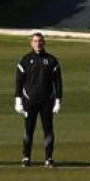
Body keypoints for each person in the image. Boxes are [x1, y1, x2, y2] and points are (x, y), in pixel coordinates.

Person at [14, 32, 62, 167]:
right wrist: (18, 100)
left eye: (40, 41)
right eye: (35, 41)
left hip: (47, 101)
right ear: (31, 43)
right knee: (29, 129)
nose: (38, 43)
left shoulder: (52, 60)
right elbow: (19, 81)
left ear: (44, 42)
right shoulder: (25, 59)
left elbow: (58, 82)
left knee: (48, 129)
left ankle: (48, 158)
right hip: (29, 101)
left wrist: (58, 100)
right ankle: (26, 157)